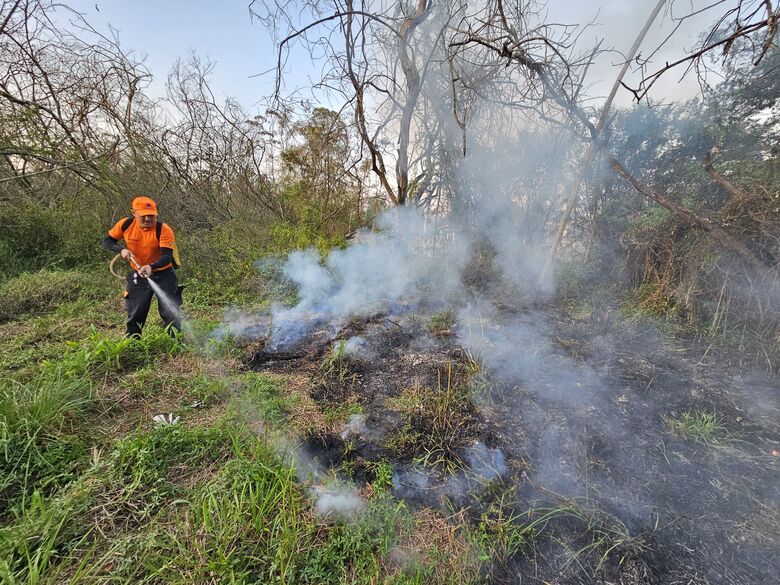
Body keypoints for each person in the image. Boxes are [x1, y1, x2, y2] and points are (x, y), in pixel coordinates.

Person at [102, 196, 182, 337]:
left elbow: (166, 256)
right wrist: (121, 249)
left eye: (151, 216)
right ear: (134, 213)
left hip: (164, 275)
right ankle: (133, 343)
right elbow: (107, 241)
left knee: (170, 312)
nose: (148, 220)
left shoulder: (164, 229)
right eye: (143, 216)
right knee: (136, 312)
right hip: (138, 275)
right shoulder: (125, 225)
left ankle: (176, 342)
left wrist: (151, 267)